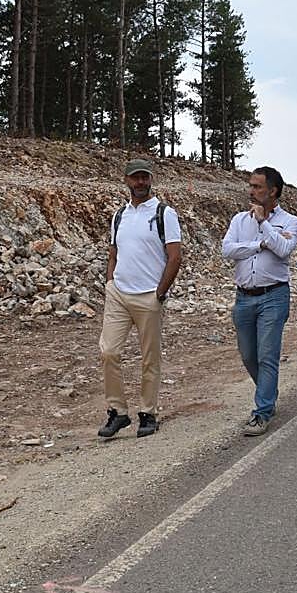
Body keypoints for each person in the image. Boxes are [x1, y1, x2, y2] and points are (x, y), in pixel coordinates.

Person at [97, 158, 183, 439]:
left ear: (151, 179)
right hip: (118, 295)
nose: (140, 182)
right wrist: (110, 282)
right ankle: (117, 412)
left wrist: (160, 292)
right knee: (109, 352)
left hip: (149, 296)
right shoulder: (119, 215)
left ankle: (148, 412)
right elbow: (113, 252)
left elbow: (174, 256)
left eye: (145, 177)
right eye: (135, 178)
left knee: (150, 358)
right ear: (126, 180)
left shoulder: (164, 213)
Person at [222, 166, 297, 436]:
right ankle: (269, 390)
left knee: (268, 355)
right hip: (244, 297)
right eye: (251, 185)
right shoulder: (238, 220)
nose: (252, 191)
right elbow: (227, 249)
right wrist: (259, 244)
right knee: (248, 355)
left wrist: (264, 225)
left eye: (257, 186)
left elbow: (283, 250)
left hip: (274, 297)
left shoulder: (290, 221)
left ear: (273, 191)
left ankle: (262, 411)